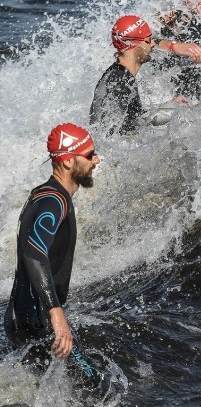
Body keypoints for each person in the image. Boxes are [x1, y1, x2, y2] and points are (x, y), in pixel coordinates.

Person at [4, 123, 111, 393]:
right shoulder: (55, 202)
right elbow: (34, 254)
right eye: (89, 155)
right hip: (36, 321)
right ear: (66, 161)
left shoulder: (43, 194)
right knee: (97, 389)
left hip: (24, 316)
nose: (95, 160)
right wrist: (57, 315)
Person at [90, 14, 201, 136]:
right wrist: (189, 109)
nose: (153, 44)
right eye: (149, 40)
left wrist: (173, 45)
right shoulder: (120, 82)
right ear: (135, 45)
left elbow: (133, 116)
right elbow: (127, 126)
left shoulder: (118, 74)